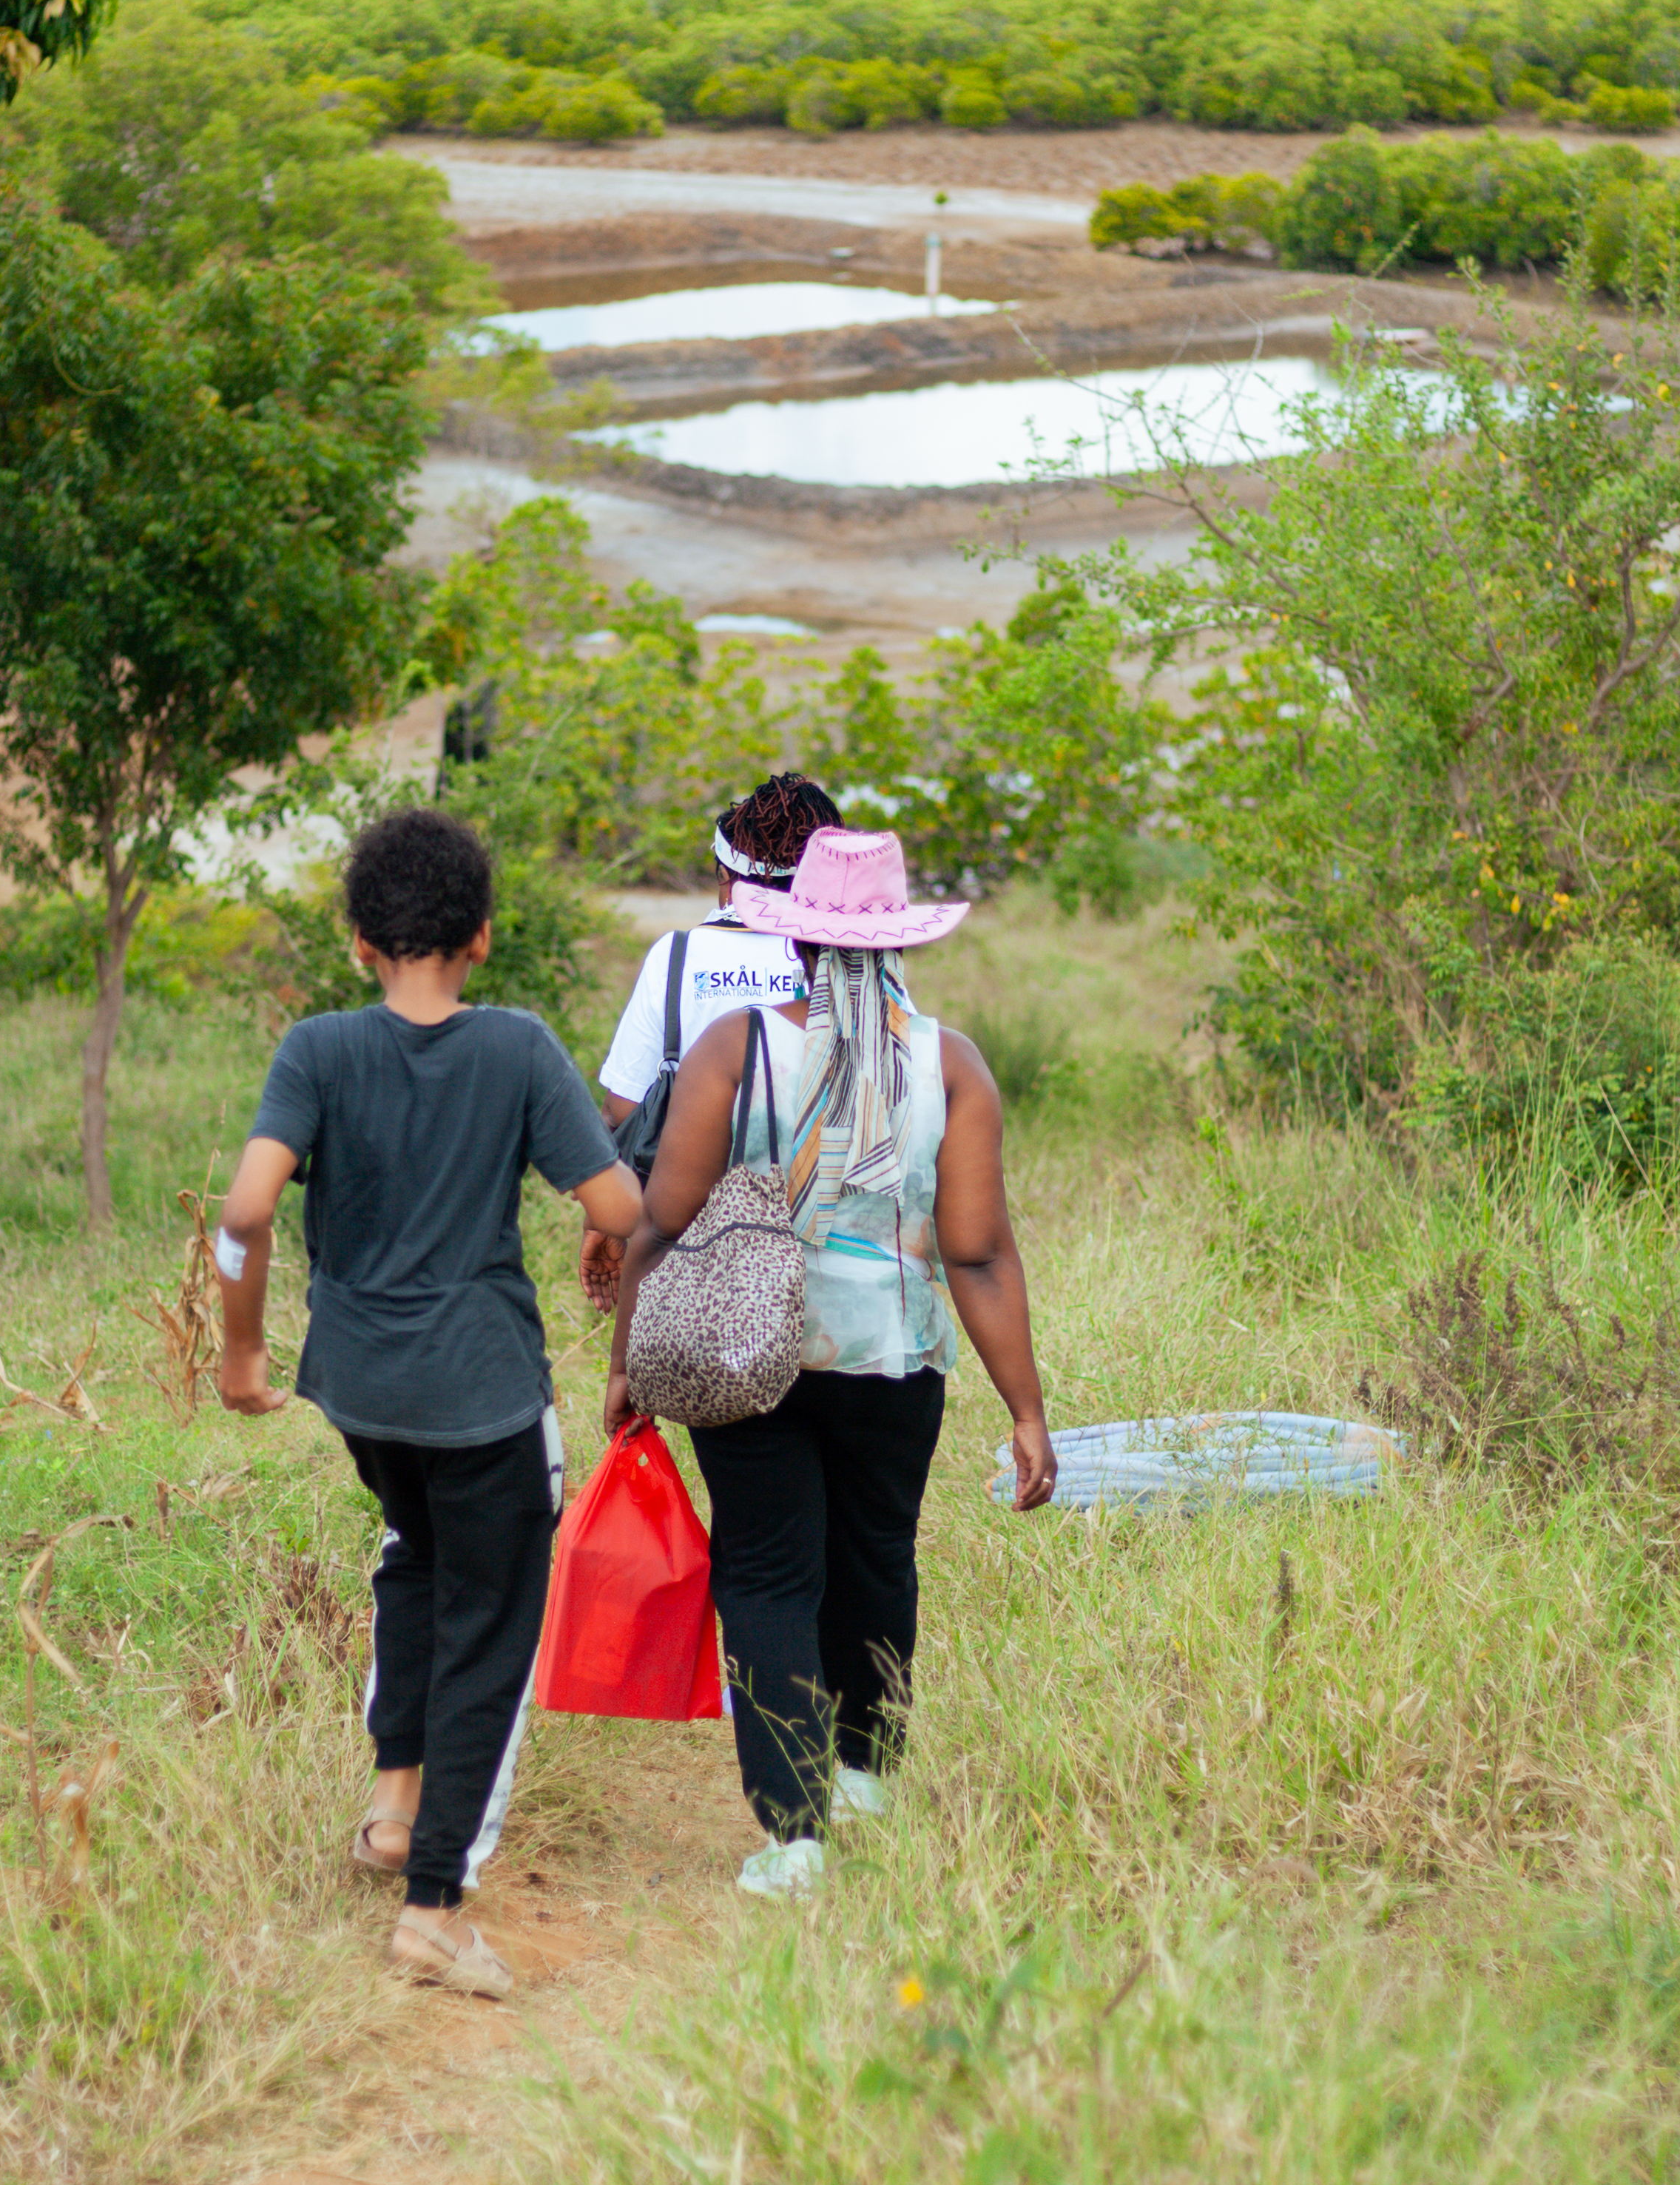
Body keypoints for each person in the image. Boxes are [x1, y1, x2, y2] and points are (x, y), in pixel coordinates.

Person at [213, 806, 643, 2002]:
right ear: (483, 936)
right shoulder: (513, 1048)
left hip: (358, 1388)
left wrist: (239, 1355)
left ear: (356, 940)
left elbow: (244, 1211)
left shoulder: (315, 1050)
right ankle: (434, 1908)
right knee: (488, 1627)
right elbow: (616, 1210)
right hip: (483, 1392)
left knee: (413, 1557)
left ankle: (396, 1809)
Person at [605, 824, 1056, 1899]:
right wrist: (1027, 1411)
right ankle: (864, 1775)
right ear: (900, 943)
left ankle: (793, 1835)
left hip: (741, 1351)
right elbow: (980, 1252)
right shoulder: (951, 1065)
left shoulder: (735, 1049)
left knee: (765, 1570)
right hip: (896, 1361)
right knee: (876, 1560)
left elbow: (661, 1223)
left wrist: (627, 1362)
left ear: (795, 940)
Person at [582, 771, 841, 1312]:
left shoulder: (676, 957)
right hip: (831, 1239)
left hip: (693, 1245)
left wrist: (604, 1220)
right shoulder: (856, 961)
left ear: (725, 874)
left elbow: (624, 1107)